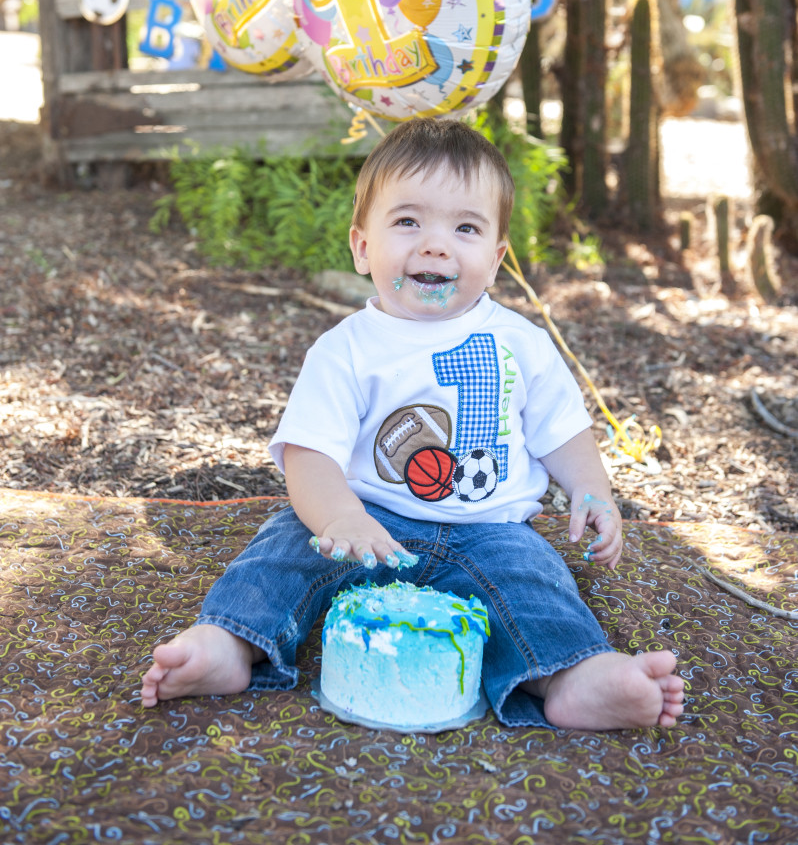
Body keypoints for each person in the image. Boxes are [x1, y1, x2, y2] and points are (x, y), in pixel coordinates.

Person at [141, 119, 684, 730]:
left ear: (497, 257)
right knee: (282, 554)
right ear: (362, 247)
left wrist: (593, 491)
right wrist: (341, 517)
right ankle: (230, 642)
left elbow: (563, 432)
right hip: (364, 517)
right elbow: (310, 456)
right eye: (407, 222)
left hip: (490, 528)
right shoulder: (345, 349)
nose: (435, 245)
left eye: (466, 228)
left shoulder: (520, 343)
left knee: (535, 584)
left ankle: (571, 675)